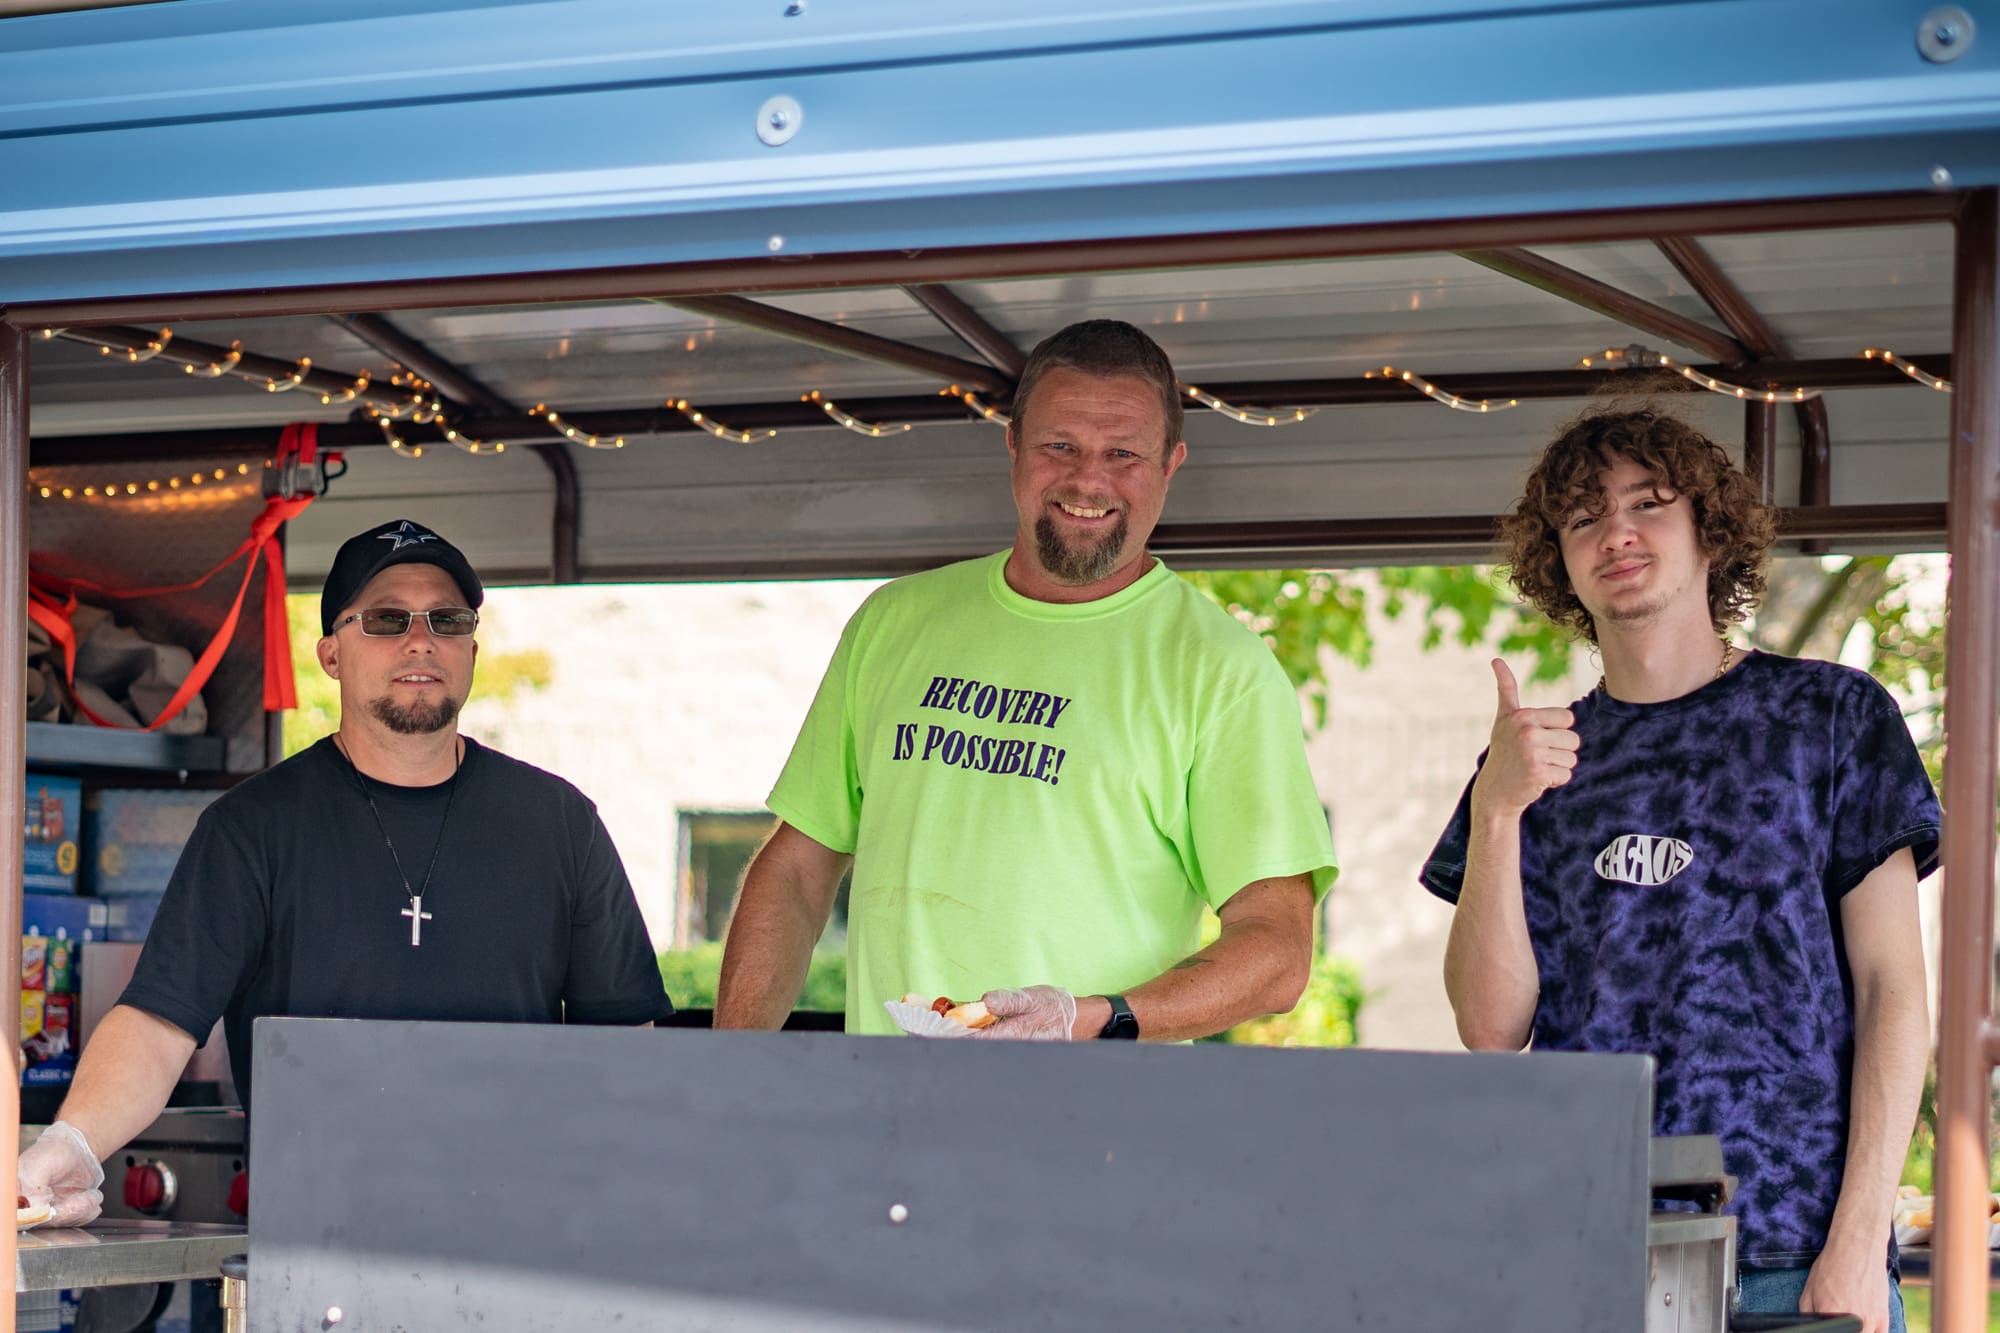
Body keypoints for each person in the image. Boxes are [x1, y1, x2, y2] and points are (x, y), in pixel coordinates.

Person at [1421, 406, 1936, 1333]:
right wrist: (1498, 809)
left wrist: (1859, 1241)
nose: (1615, 531)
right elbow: (1490, 1026)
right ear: (1560, 560)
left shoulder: (1835, 718)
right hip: (1588, 1254)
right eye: (1582, 517)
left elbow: (1893, 989)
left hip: (1796, 1257)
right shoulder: (1532, 763)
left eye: (1648, 502)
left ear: (1711, 529)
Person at [18, 518, 674, 1226]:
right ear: (331, 651)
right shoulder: (253, 828)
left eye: (446, 619)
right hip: (317, 1241)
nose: (420, 639)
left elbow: (624, 1048)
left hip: (522, 1241)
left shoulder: (561, 823)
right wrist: (75, 1142)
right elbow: (158, 1023)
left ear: (472, 649)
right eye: (389, 618)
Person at [715, 320, 1337, 1043]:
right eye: (1059, 446)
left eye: (1124, 454)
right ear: (1012, 444)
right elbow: (796, 870)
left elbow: (1277, 951)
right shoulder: (894, 622)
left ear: (1172, 464)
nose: (1087, 480)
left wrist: (1091, 1018)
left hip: (1089, 1138)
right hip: (886, 1124)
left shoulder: (1221, 669)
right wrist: (734, 1065)